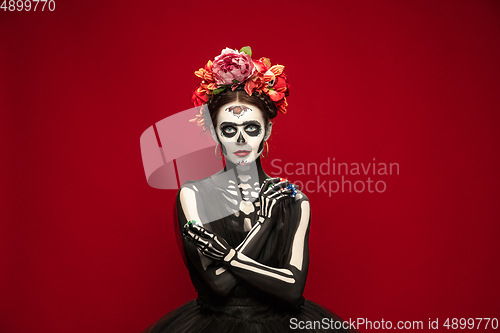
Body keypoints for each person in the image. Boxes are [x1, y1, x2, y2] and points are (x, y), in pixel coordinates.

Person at [143, 47, 357, 333]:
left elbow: (292, 290)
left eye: (252, 128)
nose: (241, 139)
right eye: (229, 129)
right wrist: (264, 224)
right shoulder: (192, 195)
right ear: (214, 133)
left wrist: (229, 256)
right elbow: (218, 285)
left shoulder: (294, 200)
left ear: (266, 131)